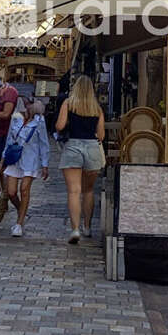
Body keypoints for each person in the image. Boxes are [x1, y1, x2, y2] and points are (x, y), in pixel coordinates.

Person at [55, 75, 105, 244]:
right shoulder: (97, 108)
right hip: (92, 148)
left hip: (73, 147)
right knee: (88, 191)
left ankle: (75, 229)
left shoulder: (68, 104)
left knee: (74, 191)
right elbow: (101, 135)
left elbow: (59, 126)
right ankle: (87, 227)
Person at [0, 99, 49, 237]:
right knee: (11, 192)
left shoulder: (39, 121)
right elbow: (9, 139)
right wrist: (3, 159)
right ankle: (21, 210)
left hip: (31, 159)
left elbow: (44, 143)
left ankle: (19, 223)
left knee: (24, 190)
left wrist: (45, 164)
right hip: (15, 159)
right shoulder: (16, 118)